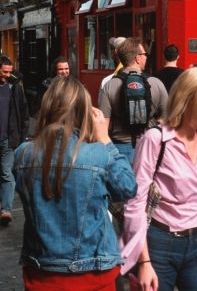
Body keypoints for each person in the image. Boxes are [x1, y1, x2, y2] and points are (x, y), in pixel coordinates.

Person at [13, 76, 137, 291]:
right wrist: (105, 140)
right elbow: (128, 187)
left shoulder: (23, 156)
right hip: (94, 274)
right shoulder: (98, 154)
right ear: (84, 112)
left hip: (42, 273)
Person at [120, 67, 197, 291]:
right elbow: (135, 203)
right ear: (186, 99)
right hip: (159, 245)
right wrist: (144, 261)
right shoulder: (156, 139)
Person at [98, 37, 168, 163]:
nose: (146, 57)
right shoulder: (156, 83)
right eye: (144, 54)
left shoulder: (109, 85)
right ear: (138, 58)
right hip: (149, 145)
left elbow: (103, 126)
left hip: (119, 147)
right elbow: (168, 119)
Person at [0, 55, 29, 226]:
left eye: (10, 72)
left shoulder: (14, 86)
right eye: (4, 72)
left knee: (6, 173)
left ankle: (7, 209)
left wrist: (21, 135)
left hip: (8, 138)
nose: (7, 75)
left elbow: (24, 112)